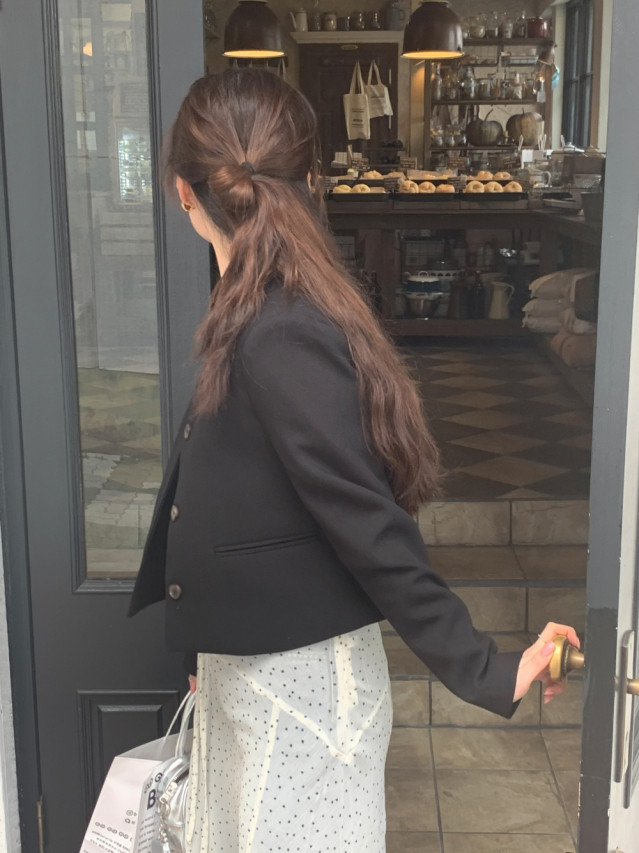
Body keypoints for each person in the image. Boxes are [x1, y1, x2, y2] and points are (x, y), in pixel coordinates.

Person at [129, 68, 579, 852]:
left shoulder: (279, 328)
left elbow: (366, 519)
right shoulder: (258, 307)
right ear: (311, 181)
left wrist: (486, 667)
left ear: (182, 193)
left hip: (297, 696)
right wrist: (210, 634)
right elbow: (245, 490)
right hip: (251, 668)